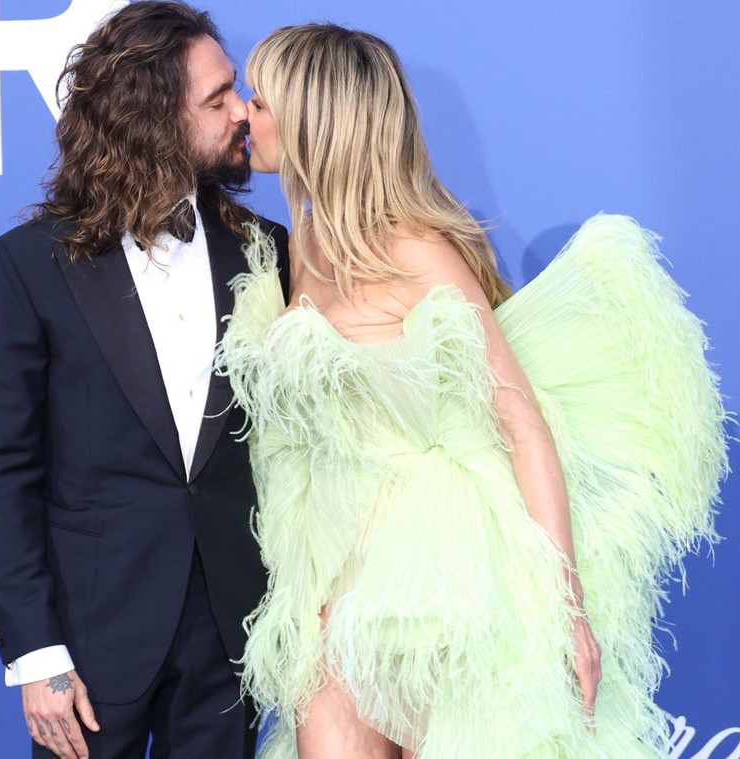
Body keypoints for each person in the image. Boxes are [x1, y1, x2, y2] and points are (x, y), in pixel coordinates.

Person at [217, 23, 727, 758]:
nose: (242, 114)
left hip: (441, 583)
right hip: (333, 588)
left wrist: (568, 613)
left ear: (310, 121)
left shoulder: (417, 252)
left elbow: (520, 422)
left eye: (259, 101)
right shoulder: (299, 253)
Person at [0, 3, 289, 758]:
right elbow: (1, 471)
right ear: (152, 122)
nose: (242, 111)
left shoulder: (267, 252)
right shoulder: (24, 267)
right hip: (87, 634)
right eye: (216, 99)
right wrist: (37, 656)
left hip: (231, 629)